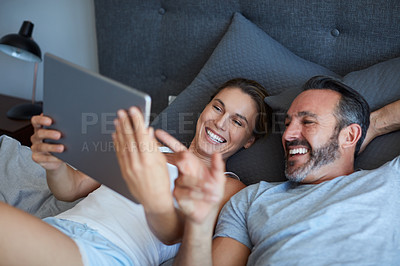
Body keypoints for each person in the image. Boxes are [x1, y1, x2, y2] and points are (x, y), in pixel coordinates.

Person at [0, 78, 270, 265]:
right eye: (217, 107)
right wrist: (54, 163)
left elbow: (177, 232)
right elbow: (70, 189)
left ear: (248, 140)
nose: (220, 123)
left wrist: (153, 194)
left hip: (107, 252)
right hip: (58, 228)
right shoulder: (146, 145)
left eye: (237, 121)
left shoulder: (228, 187)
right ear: (205, 108)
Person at [171, 75, 400, 265]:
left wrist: (375, 125)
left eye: (308, 122)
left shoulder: (390, 180)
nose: (288, 135)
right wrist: (196, 225)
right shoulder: (251, 200)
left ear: (349, 135)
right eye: (288, 123)